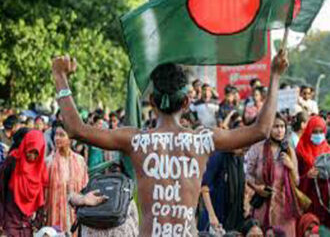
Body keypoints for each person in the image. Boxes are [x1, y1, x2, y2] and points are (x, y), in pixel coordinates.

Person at [51, 49, 287, 236]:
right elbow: (261, 129)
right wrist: (275, 76)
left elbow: (76, 129)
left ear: (151, 102)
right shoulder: (202, 140)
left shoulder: (135, 140)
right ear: (186, 103)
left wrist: (60, 77)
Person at [245, 113, 299, 236]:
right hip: (262, 205)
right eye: (275, 127)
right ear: (268, 128)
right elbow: (248, 174)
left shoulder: (289, 151)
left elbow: (296, 182)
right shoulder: (257, 149)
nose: (279, 130)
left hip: (284, 208)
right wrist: (256, 188)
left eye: (282, 126)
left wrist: (290, 166)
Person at [0, 129, 48, 236]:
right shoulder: (13, 161)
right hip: (9, 222)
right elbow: (1, 190)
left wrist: (38, 221)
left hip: (27, 224)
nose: (32, 156)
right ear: (25, 145)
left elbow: (41, 197)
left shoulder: (40, 168)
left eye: (36, 153)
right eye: (30, 150)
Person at [46, 121, 89, 236]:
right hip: (55, 217)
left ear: (71, 139)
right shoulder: (49, 163)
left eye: (61, 135)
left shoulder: (79, 161)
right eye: (56, 134)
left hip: (75, 217)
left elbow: (85, 188)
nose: (57, 138)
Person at [198, 148, 245, 232]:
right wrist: (212, 215)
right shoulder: (218, 155)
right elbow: (204, 186)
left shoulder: (239, 159)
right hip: (214, 215)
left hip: (231, 217)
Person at [296, 116, 330, 228]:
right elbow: (294, 179)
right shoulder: (300, 150)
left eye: (321, 131)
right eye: (314, 131)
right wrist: (307, 176)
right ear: (308, 131)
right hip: (309, 201)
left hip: (326, 202)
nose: (318, 135)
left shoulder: (328, 150)